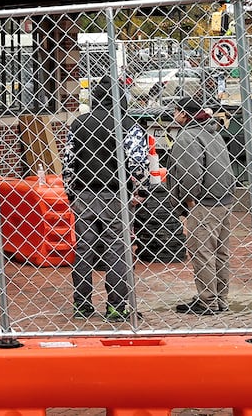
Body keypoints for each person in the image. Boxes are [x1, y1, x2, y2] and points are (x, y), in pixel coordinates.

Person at [62, 78, 148, 322]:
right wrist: (141, 191)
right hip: (116, 193)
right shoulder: (128, 124)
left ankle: (81, 304)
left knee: (84, 248)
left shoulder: (78, 124)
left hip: (84, 193)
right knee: (116, 249)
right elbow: (138, 162)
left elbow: (68, 162)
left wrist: (70, 192)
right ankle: (116, 306)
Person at [166, 97, 235, 314]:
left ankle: (208, 301)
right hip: (223, 197)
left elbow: (190, 173)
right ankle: (220, 298)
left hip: (204, 201)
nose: (174, 115)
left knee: (202, 252)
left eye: (176, 111)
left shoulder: (187, 136)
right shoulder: (212, 131)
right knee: (220, 252)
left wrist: (188, 200)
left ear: (185, 114)